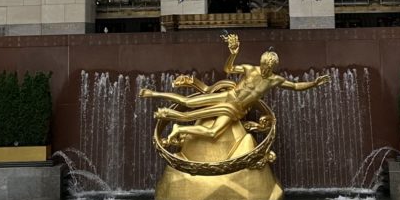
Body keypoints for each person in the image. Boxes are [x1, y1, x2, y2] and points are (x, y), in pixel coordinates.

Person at [139, 33, 329, 147]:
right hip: (228, 96)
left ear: (273, 67)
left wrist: (313, 83)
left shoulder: (274, 80)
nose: (264, 69)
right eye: (263, 65)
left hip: (236, 110)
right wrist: (233, 54)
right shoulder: (250, 69)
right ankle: (153, 94)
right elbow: (228, 69)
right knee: (187, 102)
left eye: (268, 67)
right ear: (261, 62)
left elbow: (295, 86)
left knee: (213, 132)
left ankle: (179, 128)